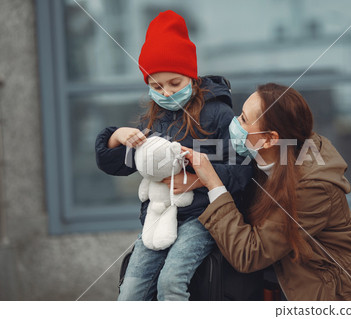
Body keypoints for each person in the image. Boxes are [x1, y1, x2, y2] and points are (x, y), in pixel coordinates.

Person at [183, 83, 351, 301]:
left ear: (270, 139)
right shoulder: (265, 158)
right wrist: (199, 179)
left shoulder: (313, 188)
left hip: (347, 297)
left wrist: (213, 183)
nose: (235, 123)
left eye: (244, 120)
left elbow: (249, 254)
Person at [95, 10, 252, 301]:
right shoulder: (153, 121)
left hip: (203, 218)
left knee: (171, 283)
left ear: (190, 76)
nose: (166, 93)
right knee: (129, 292)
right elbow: (118, 164)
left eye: (174, 83)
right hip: (157, 218)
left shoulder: (219, 114)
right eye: (156, 86)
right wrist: (115, 137)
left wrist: (197, 181)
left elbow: (243, 170)